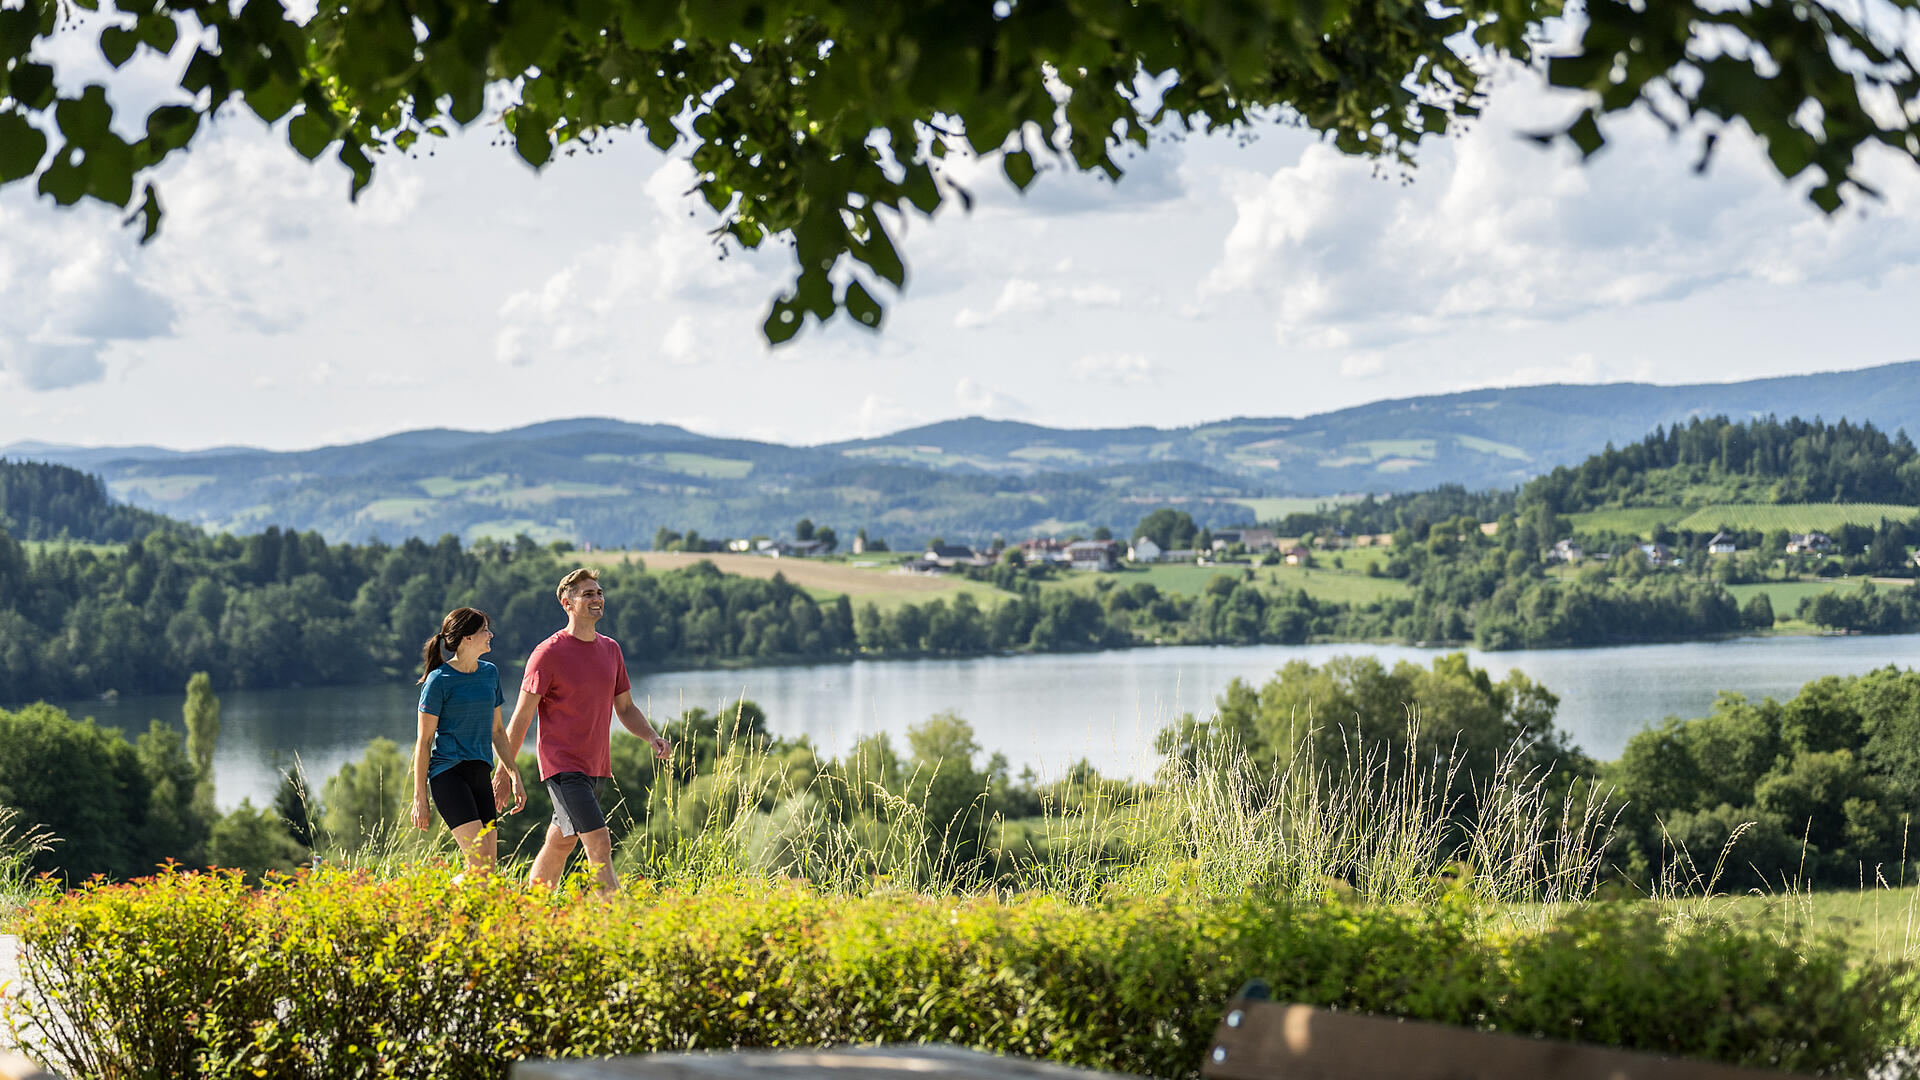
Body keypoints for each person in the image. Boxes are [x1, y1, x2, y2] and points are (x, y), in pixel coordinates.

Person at [505, 568, 671, 895]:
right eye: (588, 594)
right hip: (563, 767)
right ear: (567, 603)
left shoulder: (611, 650)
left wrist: (651, 736)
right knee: (599, 844)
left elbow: (625, 708)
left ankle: (530, 909)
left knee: (560, 841)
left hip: (596, 766)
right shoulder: (547, 653)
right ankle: (615, 916)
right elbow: (521, 717)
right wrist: (505, 769)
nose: (597, 599)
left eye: (599, 593)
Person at [410, 606, 524, 875]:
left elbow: (498, 731)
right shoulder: (438, 681)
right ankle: (434, 899)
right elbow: (424, 742)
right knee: (480, 865)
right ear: (467, 638)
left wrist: (513, 775)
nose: (491, 634)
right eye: (485, 630)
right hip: (449, 776)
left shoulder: (490, 673)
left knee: (487, 871)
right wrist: (420, 797)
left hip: (480, 774)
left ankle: (450, 901)